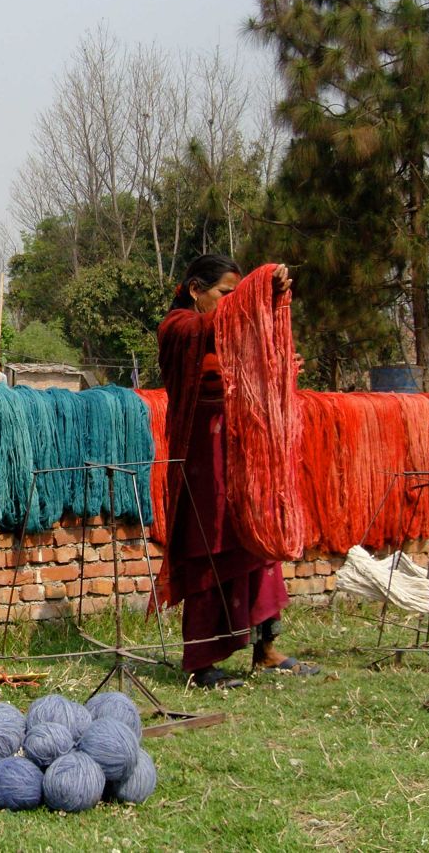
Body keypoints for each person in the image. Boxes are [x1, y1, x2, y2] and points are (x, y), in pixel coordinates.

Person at [157, 254, 319, 689]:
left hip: (246, 449)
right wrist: (257, 288)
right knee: (211, 550)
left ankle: (265, 650)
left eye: (235, 294)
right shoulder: (178, 327)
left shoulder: (232, 331)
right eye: (224, 294)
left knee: (258, 540)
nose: (232, 302)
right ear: (195, 289)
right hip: (202, 455)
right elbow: (211, 328)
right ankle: (203, 662)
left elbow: (258, 362)